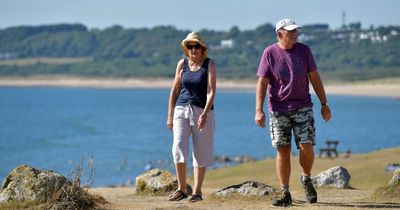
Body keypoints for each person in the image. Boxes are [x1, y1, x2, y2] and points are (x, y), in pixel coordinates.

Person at [254, 18, 332, 207]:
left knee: (307, 146)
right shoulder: (269, 53)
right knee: (283, 151)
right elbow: (262, 83)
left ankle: (306, 178)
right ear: (280, 34)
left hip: (303, 106)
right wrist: (259, 110)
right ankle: (285, 192)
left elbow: (314, 77)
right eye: (291, 31)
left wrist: (324, 103)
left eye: (296, 31)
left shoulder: (304, 50)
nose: (295, 34)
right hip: (278, 109)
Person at [167, 31, 217, 203]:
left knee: (201, 152)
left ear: (202, 48)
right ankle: (181, 188)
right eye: (190, 46)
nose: (193, 49)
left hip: (202, 110)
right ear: (186, 48)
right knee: (178, 147)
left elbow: (211, 91)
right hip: (181, 109)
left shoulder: (209, 65)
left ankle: (197, 191)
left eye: (196, 46)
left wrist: (204, 113)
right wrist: (169, 114)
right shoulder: (182, 64)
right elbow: (174, 90)